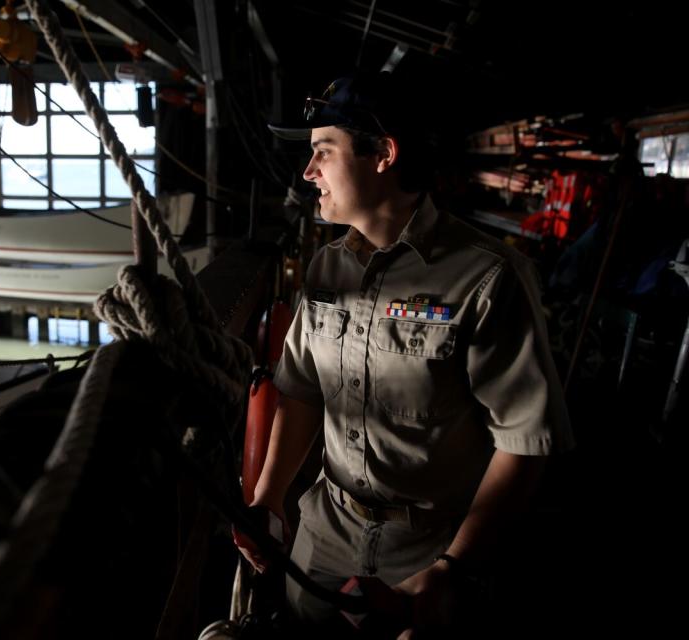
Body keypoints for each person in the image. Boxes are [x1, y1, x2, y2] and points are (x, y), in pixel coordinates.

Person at [237, 72, 575, 635]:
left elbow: (526, 443)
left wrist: (450, 569)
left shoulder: (487, 278)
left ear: (383, 155)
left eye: (323, 152)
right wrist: (269, 498)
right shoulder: (326, 269)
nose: (308, 172)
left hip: (429, 549)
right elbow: (300, 391)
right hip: (325, 534)